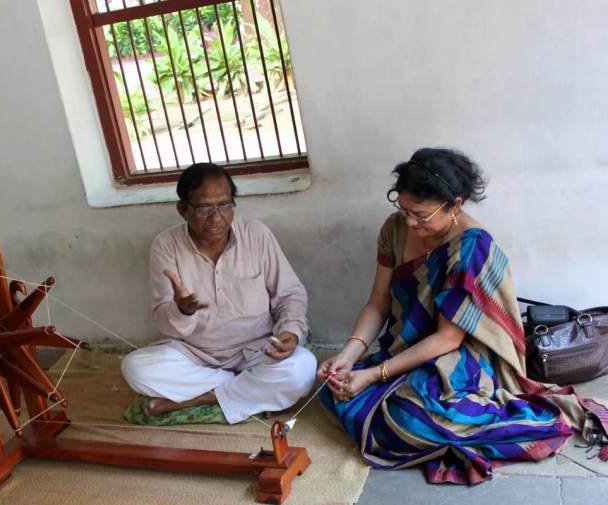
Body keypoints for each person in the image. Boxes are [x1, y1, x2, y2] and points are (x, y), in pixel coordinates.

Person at [317, 148, 607, 484]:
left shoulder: (472, 248)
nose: (410, 222)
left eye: (421, 215)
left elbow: (447, 338)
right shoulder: (395, 229)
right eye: (404, 209)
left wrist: (373, 375)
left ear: (454, 206)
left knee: (408, 418)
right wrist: (349, 355)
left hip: (457, 354)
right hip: (404, 344)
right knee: (332, 387)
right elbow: (378, 303)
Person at [121, 162, 317, 425]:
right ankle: (248, 390)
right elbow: (162, 319)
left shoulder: (256, 234)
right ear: (183, 209)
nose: (216, 218)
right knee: (135, 368)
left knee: (302, 368)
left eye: (225, 205)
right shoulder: (166, 245)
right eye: (204, 208)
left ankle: (198, 399)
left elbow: (289, 294)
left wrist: (290, 332)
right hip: (195, 355)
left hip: (257, 350)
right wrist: (182, 310)